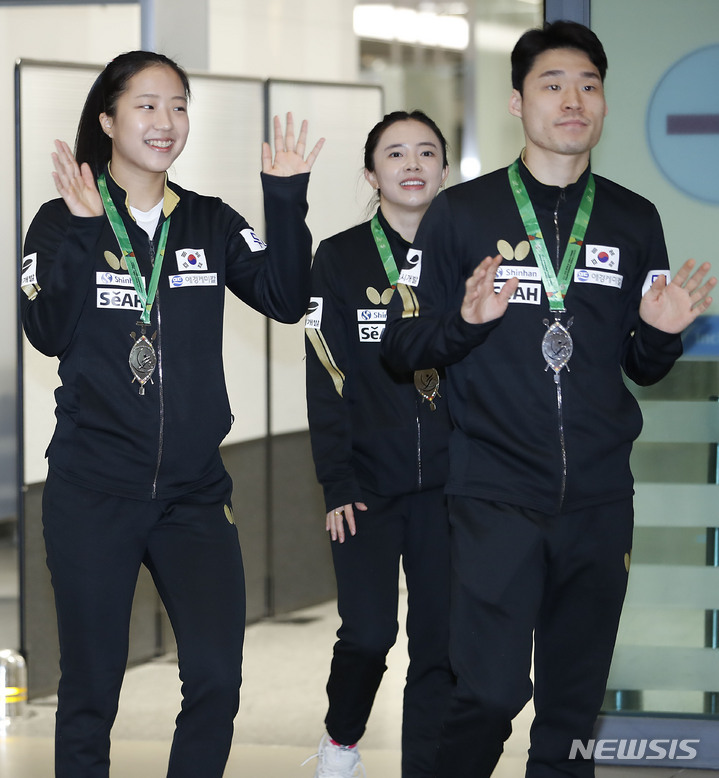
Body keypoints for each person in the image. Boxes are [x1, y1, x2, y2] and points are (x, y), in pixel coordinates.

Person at [381, 21, 715, 778]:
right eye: (553, 85)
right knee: (489, 692)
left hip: (598, 498)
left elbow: (642, 367)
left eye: (588, 86)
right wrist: (464, 324)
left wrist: (661, 333)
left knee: (571, 709)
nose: (573, 100)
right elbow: (400, 346)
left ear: (603, 103)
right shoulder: (461, 214)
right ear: (517, 102)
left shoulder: (633, 219)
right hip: (494, 493)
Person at [20, 51, 323, 778]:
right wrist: (87, 232)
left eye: (179, 106)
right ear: (107, 120)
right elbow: (46, 331)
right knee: (91, 690)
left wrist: (285, 199)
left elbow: (286, 300)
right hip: (93, 492)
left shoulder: (210, 223)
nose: (166, 121)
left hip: (193, 495)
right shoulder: (59, 221)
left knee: (216, 679)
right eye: (147, 105)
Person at [303, 110, 453, 778]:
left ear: (444, 169)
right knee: (368, 634)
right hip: (366, 485)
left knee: (439, 644)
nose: (411, 164)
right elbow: (326, 374)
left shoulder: (468, 254)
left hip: (451, 485)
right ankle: (340, 741)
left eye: (426, 152)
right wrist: (335, 480)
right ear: (371, 174)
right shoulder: (338, 258)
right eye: (395, 154)